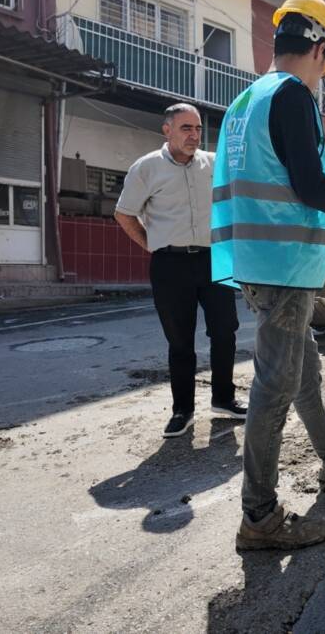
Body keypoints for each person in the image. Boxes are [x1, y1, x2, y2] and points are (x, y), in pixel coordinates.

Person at [210, 0, 325, 551]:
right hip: (284, 264)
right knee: (276, 385)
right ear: (320, 46)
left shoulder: (247, 99)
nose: (323, 76)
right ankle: (259, 517)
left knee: (301, 368)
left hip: (258, 260)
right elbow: (311, 187)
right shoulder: (292, 96)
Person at [115, 103, 245, 439]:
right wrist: (152, 244)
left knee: (225, 330)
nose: (194, 135)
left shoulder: (215, 165)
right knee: (180, 340)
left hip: (214, 259)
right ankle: (182, 410)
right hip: (170, 265)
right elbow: (124, 213)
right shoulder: (146, 168)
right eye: (186, 128)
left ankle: (224, 398)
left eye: (198, 128)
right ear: (167, 130)